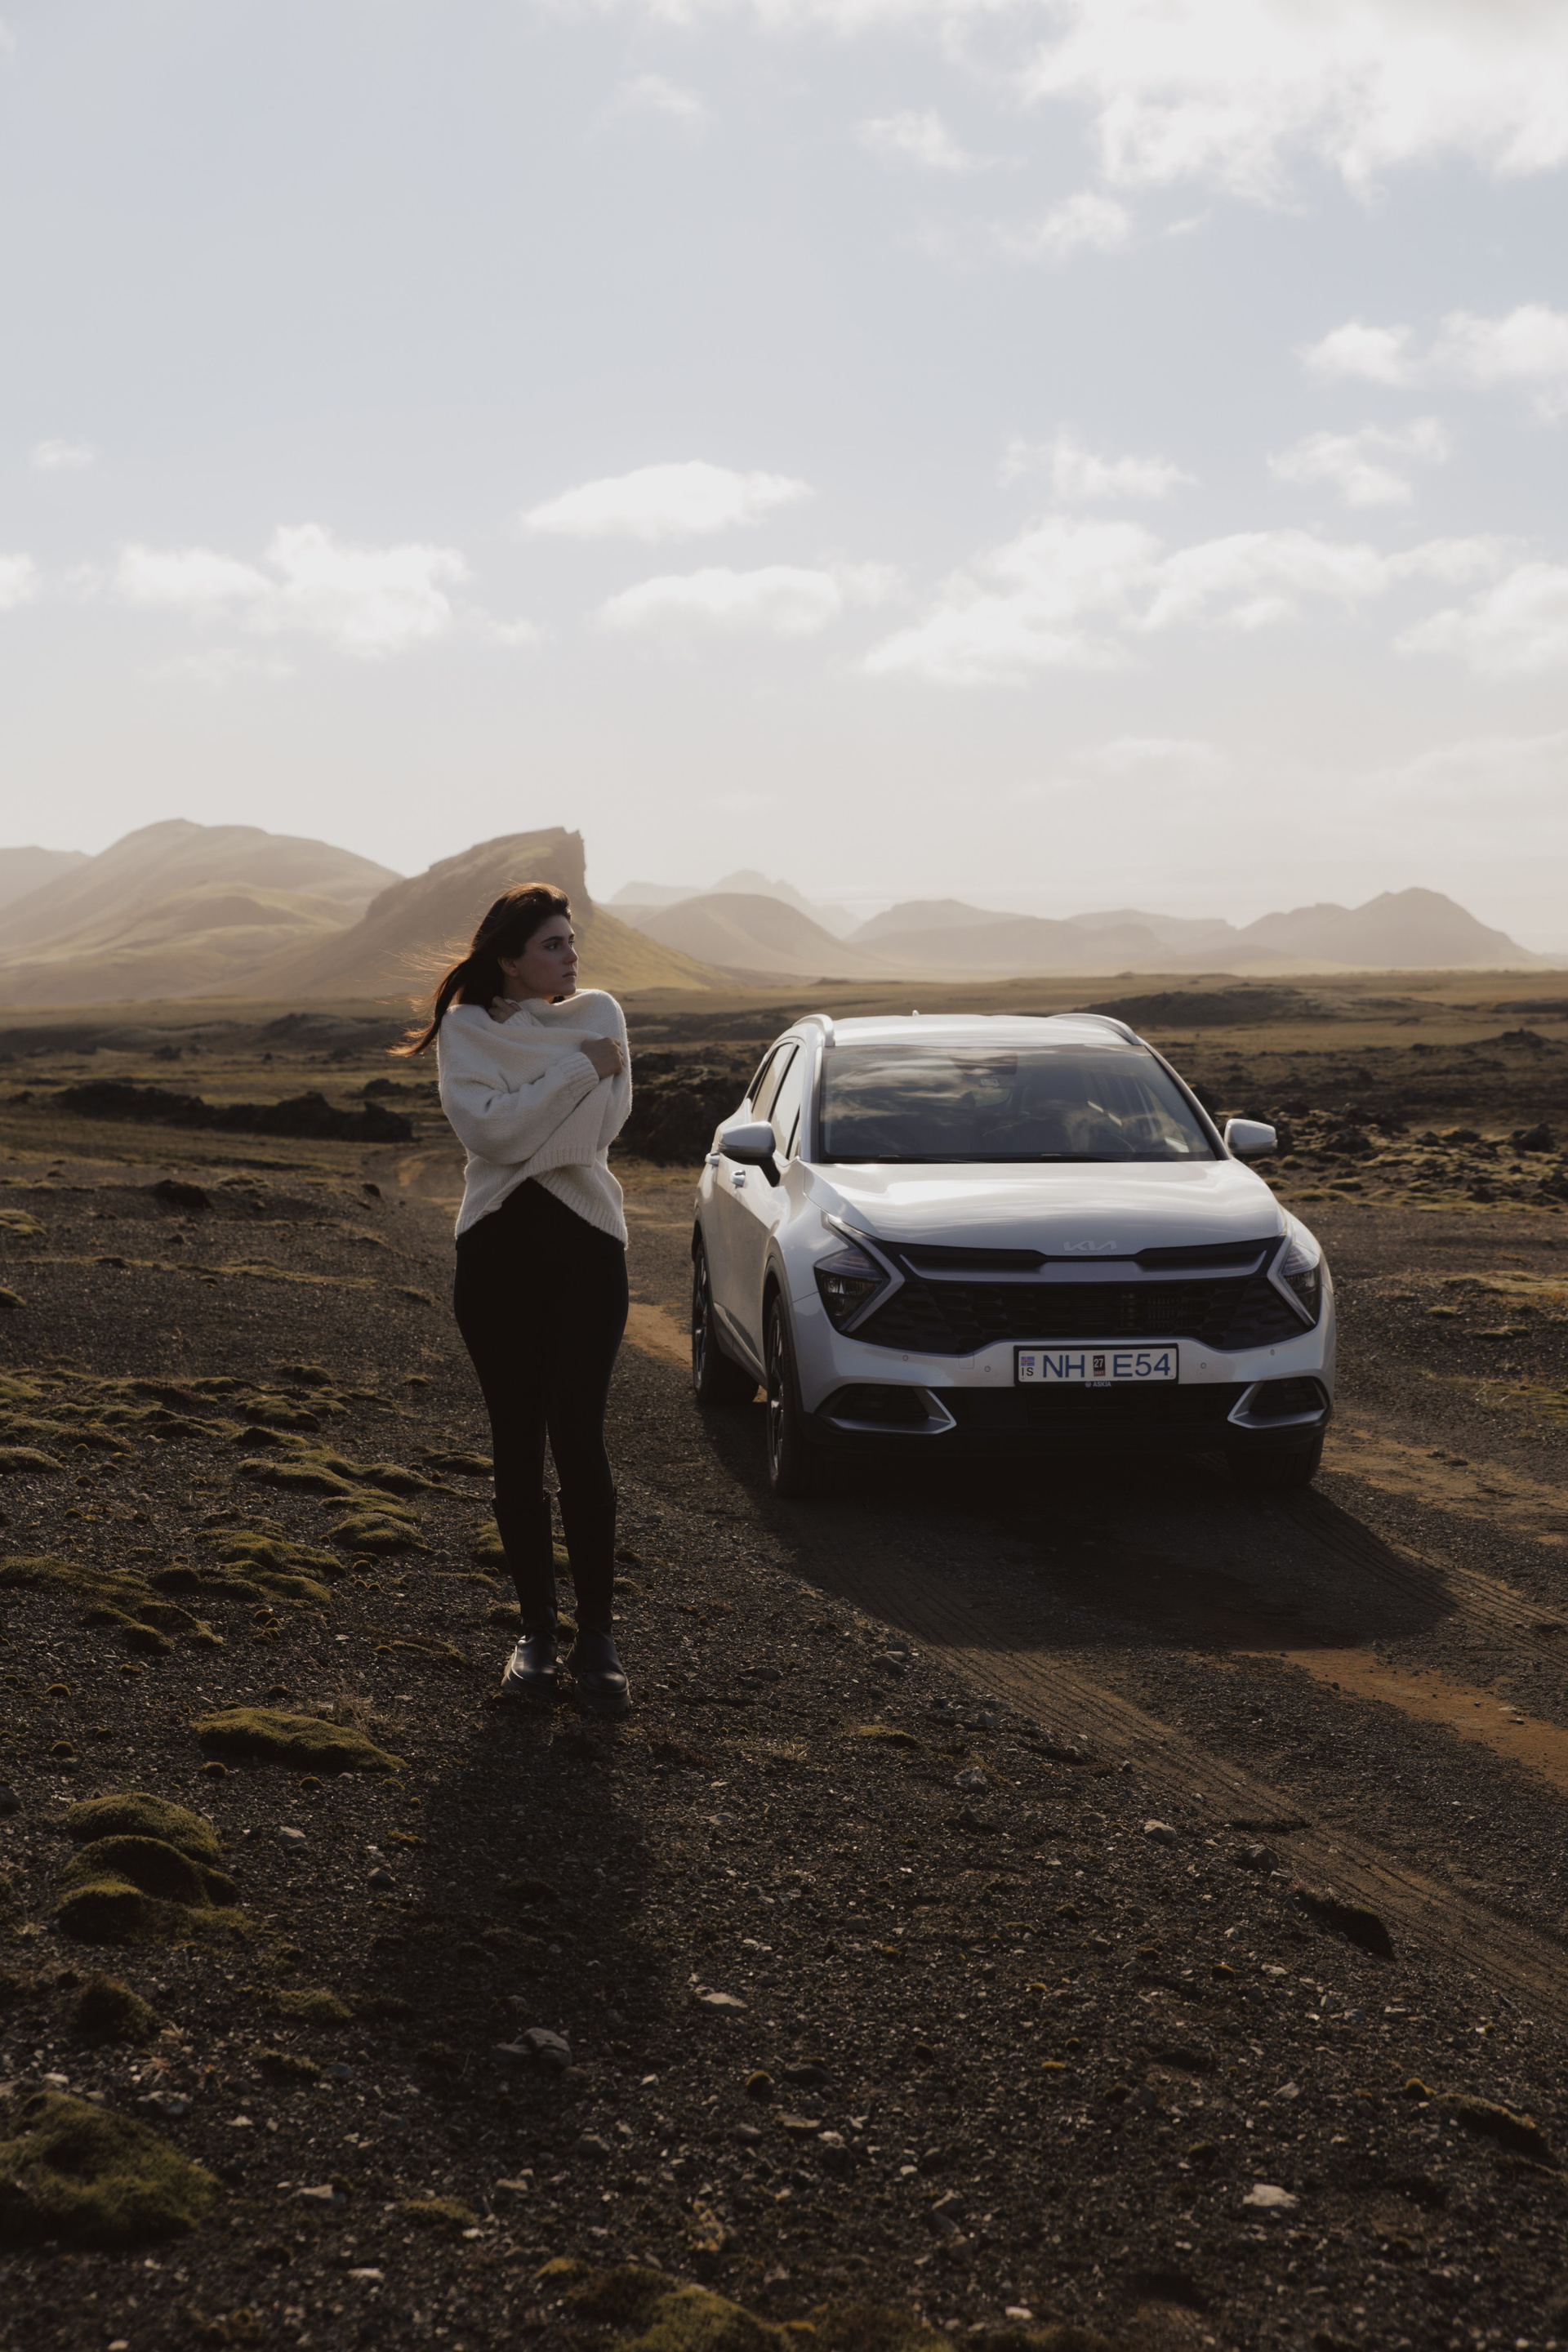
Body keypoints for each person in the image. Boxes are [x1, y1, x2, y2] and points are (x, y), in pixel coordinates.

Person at [399, 883, 632, 1714]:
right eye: (552, 945)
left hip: (589, 1251)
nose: (571, 956)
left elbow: (599, 1131)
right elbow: (489, 1133)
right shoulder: (466, 1029)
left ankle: (597, 1639)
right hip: (495, 1254)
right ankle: (536, 1632)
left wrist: (523, 1096)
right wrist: (573, 1069)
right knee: (515, 1442)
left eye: (571, 941)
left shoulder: (602, 1012)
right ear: (509, 959)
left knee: (579, 1438)